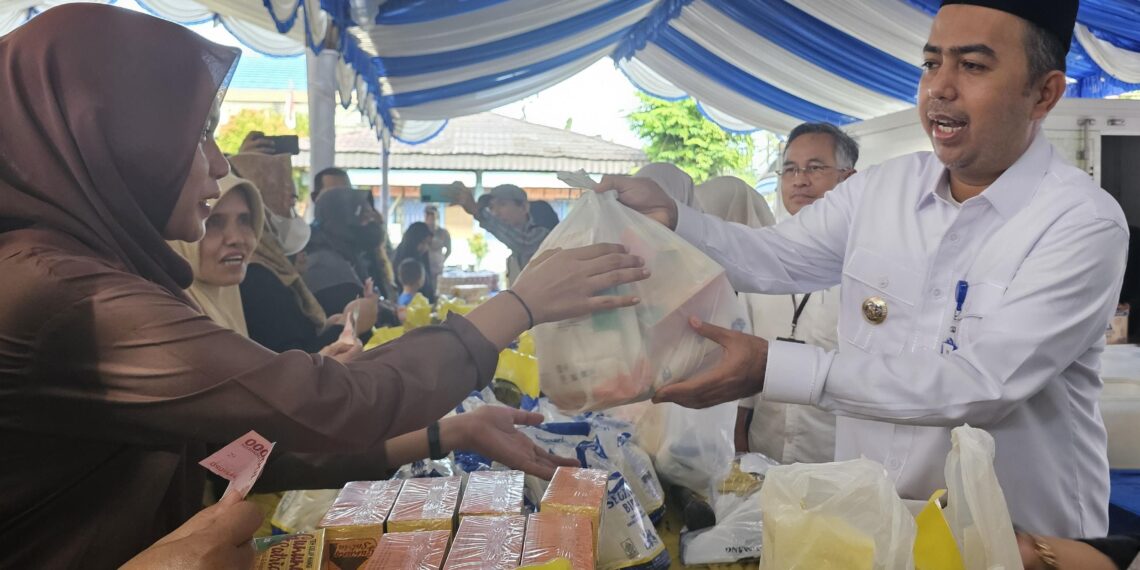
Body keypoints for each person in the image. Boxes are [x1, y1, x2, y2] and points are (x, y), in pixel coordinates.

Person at [0, 5, 649, 567]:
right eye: (196, 137)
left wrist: (446, 434)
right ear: (115, 138)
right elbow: (322, 404)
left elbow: (233, 455)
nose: (218, 164)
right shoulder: (61, 296)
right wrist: (520, 305)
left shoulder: (81, 271)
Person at [598, 0, 1127, 538]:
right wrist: (673, 218)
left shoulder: (1080, 222)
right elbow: (772, 255)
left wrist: (774, 367)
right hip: (877, 527)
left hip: (1016, 543)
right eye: (931, 63)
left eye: (972, 65)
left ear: (1044, 93)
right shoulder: (882, 190)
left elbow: (981, 383)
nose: (939, 88)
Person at [706, 126, 854, 464]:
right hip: (766, 458)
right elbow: (743, 367)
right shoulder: (757, 265)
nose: (799, 180)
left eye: (815, 168)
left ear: (849, 179)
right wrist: (740, 450)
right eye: (790, 169)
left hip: (841, 466)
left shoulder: (869, 270)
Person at [168, 173, 265, 337]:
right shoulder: (168, 322)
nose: (236, 238)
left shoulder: (228, 301)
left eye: (244, 220)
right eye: (213, 222)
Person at [454, 183, 550, 285]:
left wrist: (478, 212)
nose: (495, 212)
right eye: (491, 207)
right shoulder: (513, 253)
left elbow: (524, 243)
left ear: (524, 207)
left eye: (502, 204)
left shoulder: (542, 235)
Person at [394, 221, 438, 303]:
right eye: (423, 242)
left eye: (428, 244)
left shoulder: (422, 256)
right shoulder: (404, 261)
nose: (425, 247)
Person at [424, 204, 451, 286]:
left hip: (438, 266)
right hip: (424, 266)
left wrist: (442, 260)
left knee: (437, 286)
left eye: (432, 215)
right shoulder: (421, 231)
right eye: (428, 215)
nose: (430, 218)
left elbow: (449, 250)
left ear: (437, 217)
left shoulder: (443, 233)